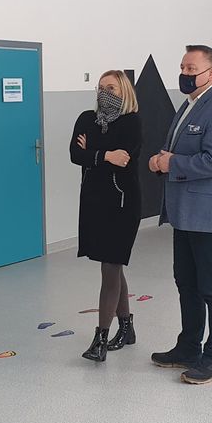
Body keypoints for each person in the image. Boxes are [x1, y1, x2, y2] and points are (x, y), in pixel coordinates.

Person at [147, 45, 212, 384]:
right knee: (187, 283)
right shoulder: (190, 104)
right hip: (186, 213)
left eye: (192, 69)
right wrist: (162, 159)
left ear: (211, 72)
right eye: (183, 68)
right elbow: (182, 149)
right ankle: (188, 347)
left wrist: (171, 163)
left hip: (211, 214)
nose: (185, 74)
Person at [69, 70, 143, 362]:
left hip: (122, 204)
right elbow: (75, 155)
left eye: (111, 87)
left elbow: (125, 159)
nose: (105, 93)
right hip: (94, 203)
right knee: (113, 266)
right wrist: (106, 155)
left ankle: (100, 338)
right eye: (101, 88)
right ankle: (126, 328)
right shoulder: (86, 118)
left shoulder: (131, 121)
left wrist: (94, 152)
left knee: (110, 267)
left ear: (123, 91)